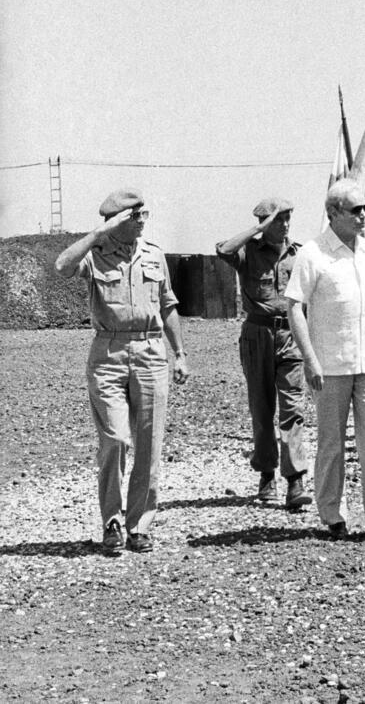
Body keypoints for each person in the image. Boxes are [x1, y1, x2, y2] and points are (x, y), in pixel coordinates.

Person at [54, 188, 189, 554]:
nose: (142, 221)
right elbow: (62, 267)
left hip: (150, 352)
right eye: (135, 216)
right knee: (115, 439)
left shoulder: (154, 255)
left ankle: (139, 526)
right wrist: (100, 233)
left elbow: (167, 305)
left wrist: (180, 353)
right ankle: (111, 520)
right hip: (108, 353)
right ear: (117, 221)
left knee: (149, 443)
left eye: (144, 214)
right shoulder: (95, 255)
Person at [285, 181, 365, 539]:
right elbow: (295, 308)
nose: (363, 215)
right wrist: (310, 359)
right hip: (330, 365)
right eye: (355, 210)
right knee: (332, 442)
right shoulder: (312, 253)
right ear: (333, 213)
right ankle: (333, 515)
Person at [215, 197, 311, 509]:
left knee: (292, 408)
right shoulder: (248, 252)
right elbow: (223, 250)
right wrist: (257, 230)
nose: (285, 224)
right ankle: (267, 473)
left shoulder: (299, 254)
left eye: (287, 218)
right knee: (261, 407)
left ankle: (295, 480)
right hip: (257, 333)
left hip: (291, 334)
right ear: (264, 223)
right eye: (278, 219)